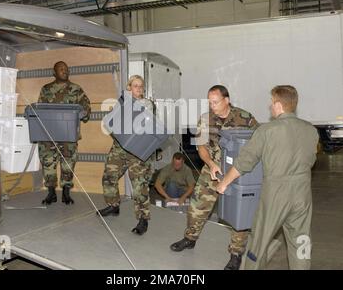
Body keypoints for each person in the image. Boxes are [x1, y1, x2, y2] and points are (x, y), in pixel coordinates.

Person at [216, 85, 319, 270]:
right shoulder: (311, 130)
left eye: (272, 102)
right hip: (303, 193)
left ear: (279, 105)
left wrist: (224, 183)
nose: (270, 106)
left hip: (276, 192)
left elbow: (244, 163)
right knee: (301, 241)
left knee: (259, 242)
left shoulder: (267, 130)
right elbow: (311, 160)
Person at [170, 85, 259, 271]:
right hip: (212, 171)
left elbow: (258, 145)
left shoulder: (246, 118)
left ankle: (235, 255)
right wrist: (211, 164)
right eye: (210, 102)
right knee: (196, 207)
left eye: (216, 102)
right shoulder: (205, 119)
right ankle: (190, 238)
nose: (212, 106)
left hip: (237, 174)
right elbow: (201, 147)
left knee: (239, 215)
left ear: (226, 100)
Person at [97, 75, 154, 235]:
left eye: (141, 86)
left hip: (137, 148)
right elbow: (114, 122)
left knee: (139, 185)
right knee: (109, 175)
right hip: (120, 146)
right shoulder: (121, 103)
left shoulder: (147, 104)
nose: (139, 89)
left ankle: (143, 219)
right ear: (129, 87)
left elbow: (143, 121)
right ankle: (113, 205)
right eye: (135, 86)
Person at [38, 61, 91, 205]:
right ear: (54, 73)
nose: (65, 71)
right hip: (48, 134)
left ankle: (66, 193)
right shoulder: (46, 89)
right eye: (61, 69)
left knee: (68, 163)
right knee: (48, 162)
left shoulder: (76, 89)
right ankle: (51, 192)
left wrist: (83, 113)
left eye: (66, 69)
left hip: (68, 134)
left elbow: (86, 107)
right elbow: (40, 109)